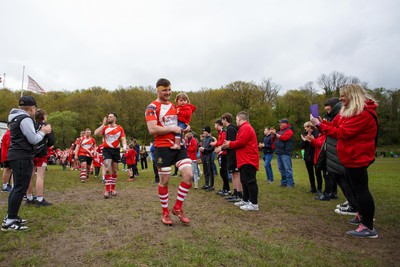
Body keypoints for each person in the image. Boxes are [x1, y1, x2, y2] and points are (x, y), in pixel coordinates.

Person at [311, 84, 379, 238]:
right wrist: (321, 123)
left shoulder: (363, 114)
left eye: (344, 96)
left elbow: (342, 132)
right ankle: (361, 215)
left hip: (357, 157)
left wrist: (319, 125)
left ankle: (368, 226)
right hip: (349, 156)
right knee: (355, 189)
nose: (341, 99)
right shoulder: (351, 112)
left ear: (353, 95)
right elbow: (336, 125)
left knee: (361, 190)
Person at [145, 78, 193, 225]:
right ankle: (165, 212)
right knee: (164, 181)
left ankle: (177, 208)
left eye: (169, 90)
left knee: (189, 175)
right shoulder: (152, 107)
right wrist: (172, 129)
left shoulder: (174, 105)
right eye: (164, 90)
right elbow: (152, 129)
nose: (168, 93)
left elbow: (180, 124)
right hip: (162, 147)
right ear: (157, 90)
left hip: (179, 147)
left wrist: (186, 127)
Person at [2, 96, 52, 231]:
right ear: (32, 108)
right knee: (20, 188)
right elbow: (34, 139)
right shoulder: (25, 119)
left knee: (17, 187)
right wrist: (43, 131)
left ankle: (11, 216)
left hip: (16, 154)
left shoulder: (14, 117)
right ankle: (10, 221)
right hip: (21, 155)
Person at [222, 111, 259, 211]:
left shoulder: (246, 127)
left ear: (240, 119)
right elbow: (240, 142)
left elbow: (241, 142)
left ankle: (254, 203)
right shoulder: (242, 128)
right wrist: (230, 143)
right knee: (244, 181)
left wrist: (229, 144)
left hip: (249, 159)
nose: (236, 121)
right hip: (244, 159)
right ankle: (246, 200)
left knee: (250, 181)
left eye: (237, 119)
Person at [26, 109, 55, 207]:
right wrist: (46, 146)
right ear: (43, 117)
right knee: (40, 176)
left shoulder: (31, 125)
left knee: (30, 176)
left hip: (31, 152)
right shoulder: (46, 126)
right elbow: (51, 140)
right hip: (41, 153)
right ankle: (39, 199)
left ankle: (29, 197)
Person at [94, 113, 127, 198]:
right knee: (107, 169)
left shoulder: (120, 128)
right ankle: (107, 191)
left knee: (115, 171)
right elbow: (95, 133)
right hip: (107, 150)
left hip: (116, 150)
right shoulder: (105, 128)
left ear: (115, 118)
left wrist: (125, 146)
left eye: (110, 116)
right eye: (108, 117)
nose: (108, 118)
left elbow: (123, 139)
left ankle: (113, 189)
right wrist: (103, 124)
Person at [221, 112, 242, 202]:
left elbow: (232, 143)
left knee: (236, 174)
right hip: (231, 154)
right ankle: (235, 192)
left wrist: (223, 146)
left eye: (222, 120)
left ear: (225, 119)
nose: (222, 122)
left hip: (234, 155)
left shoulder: (230, 129)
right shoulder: (230, 128)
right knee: (233, 174)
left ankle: (239, 194)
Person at [300, 122, 323, 195]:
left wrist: (311, 140)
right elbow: (301, 146)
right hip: (307, 156)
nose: (305, 129)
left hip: (315, 155)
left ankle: (319, 189)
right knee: (310, 173)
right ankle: (313, 187)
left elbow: (317, 144)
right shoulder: (305, 134)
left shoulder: (317, 134)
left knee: (318, 173)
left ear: (310, 127)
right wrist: (304, 140)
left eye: (306, 127)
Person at [211, 119, 230, 196]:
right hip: (221, 153)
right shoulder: (220, 132)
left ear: (220, 125)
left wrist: (215, 143)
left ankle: (227, 189)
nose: (215, 126)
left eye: (216, 125)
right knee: (222, 172)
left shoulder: (224, 132)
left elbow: (223, 142)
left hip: (224, 153)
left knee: (223, 172)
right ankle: (225, 188)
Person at [273, 119, 295, 188]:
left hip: (285, 152)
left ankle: (290, 183)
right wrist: (273, 136)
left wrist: (276, 134)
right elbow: (275, 140)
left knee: (287, 169)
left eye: (281, 123)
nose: (280, 125)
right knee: (281, 169)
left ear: (285, 123)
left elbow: (284, 138)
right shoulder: (280, 131)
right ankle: (284, 182)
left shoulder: (289, 131)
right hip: (279, 152)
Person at [199, 126, 215, 191]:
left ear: (208, 131)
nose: (204, 132)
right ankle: (206, 184)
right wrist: (201, 149)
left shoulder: (211, 139)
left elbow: (211, 149)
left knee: (210, 170)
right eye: (203, 131)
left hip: (209, 156)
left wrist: (204, 149)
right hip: (204, 156)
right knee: (205, 170)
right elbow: (202, 146)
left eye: (205, 131)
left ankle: (211, 185)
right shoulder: (204, 139)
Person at [1, 124, 12, 192]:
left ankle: (7, 184)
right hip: (7, 155)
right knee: (7, 170)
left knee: (9, 170)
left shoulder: (7, 134)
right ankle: (5, 185)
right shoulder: (8, 134)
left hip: (6, 155)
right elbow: (10, 144)